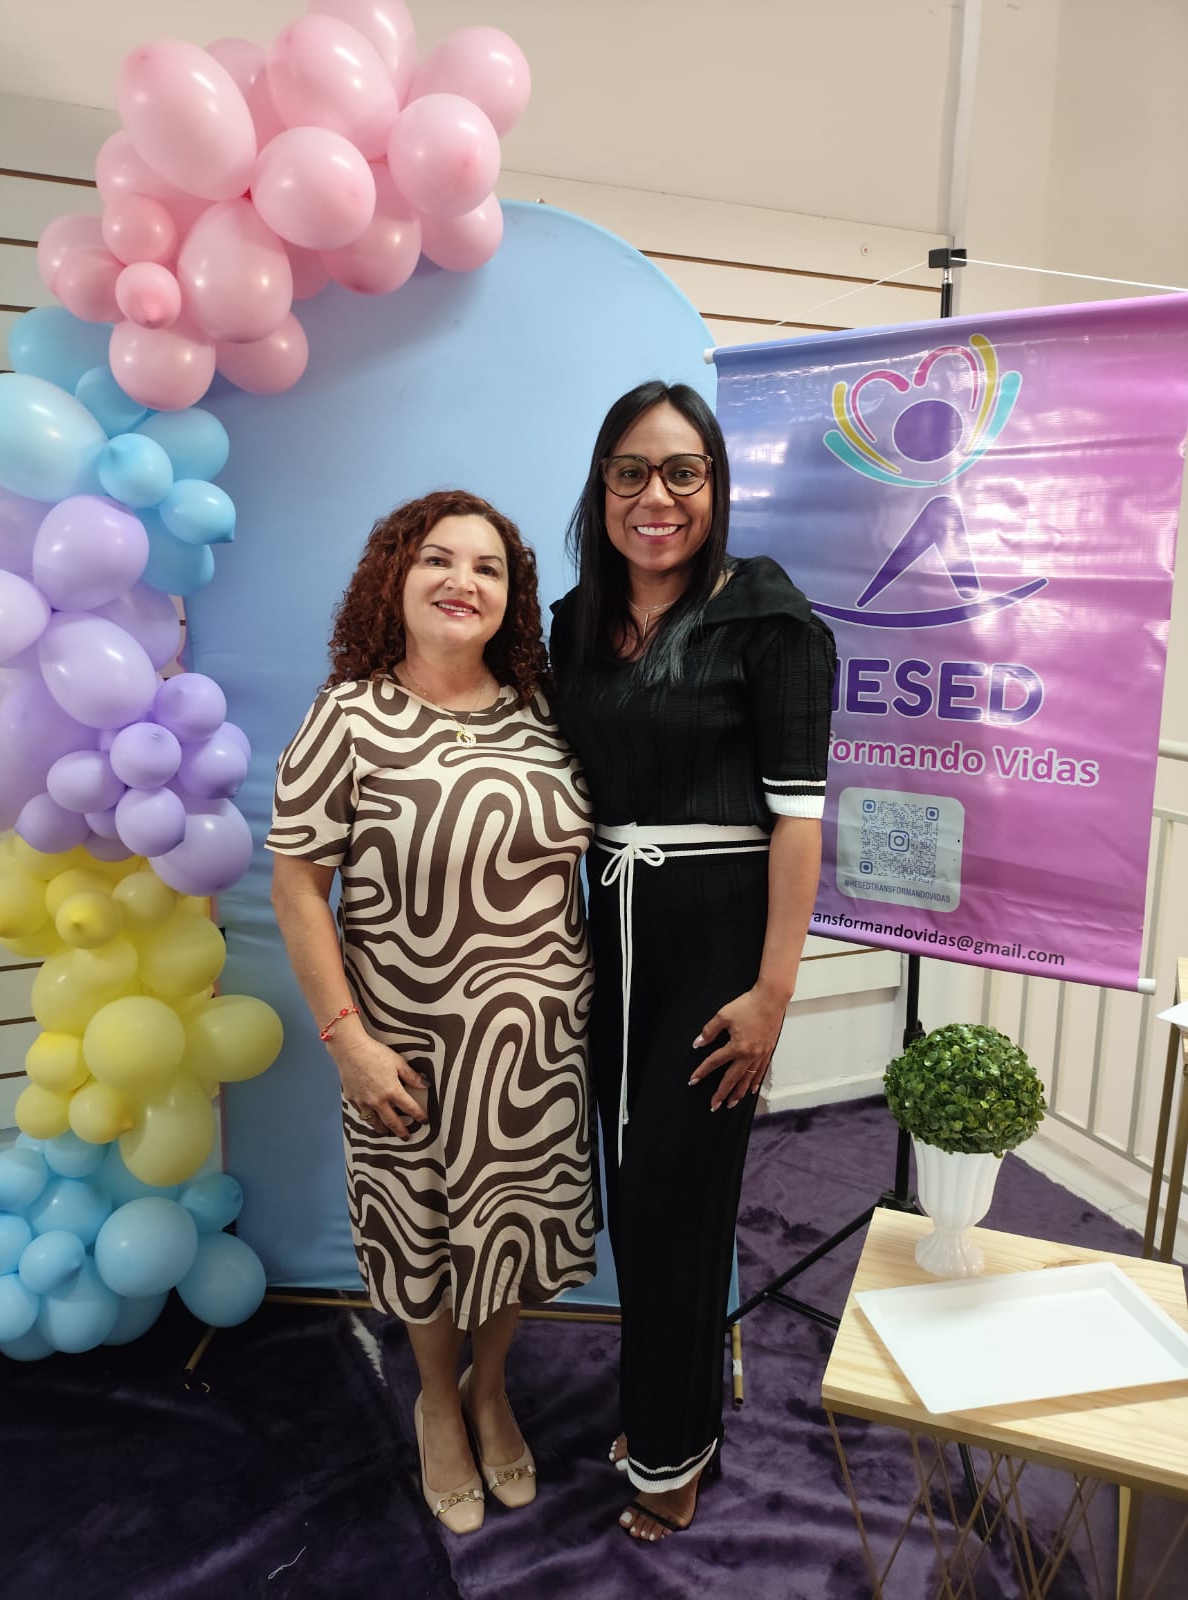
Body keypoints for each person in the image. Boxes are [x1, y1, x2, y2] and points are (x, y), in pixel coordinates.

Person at [267, 490, 596, 1536]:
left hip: (536, 1048)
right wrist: (347, 1042)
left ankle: (489, 1391)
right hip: (403, 1047)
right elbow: (297, 885)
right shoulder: (348, 716)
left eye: (489, 567)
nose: (463, 581)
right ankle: (436, 1406)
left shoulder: (548, 709)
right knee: (421, 1240)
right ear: (394, 579)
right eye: (437, 560)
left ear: (512, 596)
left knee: (513, 1231)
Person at [550, 380, 836, 1543]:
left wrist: (773, 992)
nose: (655, 495)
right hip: (608, 931)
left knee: (679, 1192)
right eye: (631, 471)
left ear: (714, 486)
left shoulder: (769, 621)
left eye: (682, 471)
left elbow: (798, 821)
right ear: (601, 486)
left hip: (718, 938)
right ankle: (660, 1405)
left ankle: (672, 1449)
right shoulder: (574, 623)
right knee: (631, 1187)